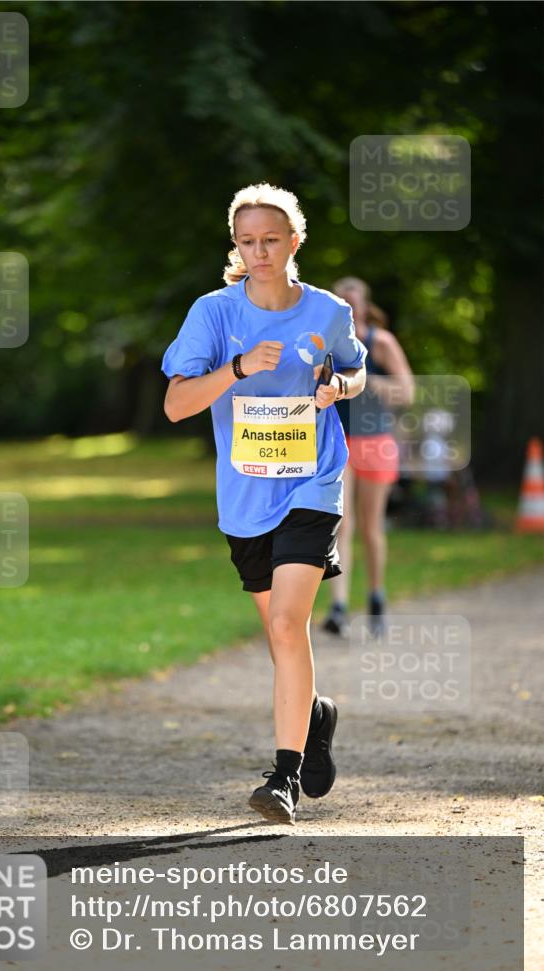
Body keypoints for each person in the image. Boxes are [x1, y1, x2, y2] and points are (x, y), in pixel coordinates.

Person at [161, 183, 367, 825]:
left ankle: (283, 777)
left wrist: (337, 383)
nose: (259, 252)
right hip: (246, 493)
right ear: (236, 246)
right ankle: (316, 717)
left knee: (287, 624)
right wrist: (239, 368)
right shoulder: (214, 314)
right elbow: (176, 404)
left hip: (312, 478)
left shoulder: (329, 311)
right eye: (248, 242)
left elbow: (356, 369)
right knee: (280, 637)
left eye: (271, 240)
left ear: (294, 241)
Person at [321, 277, 414, 638]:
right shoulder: (324, 342)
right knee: (341, 523)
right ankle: (339, 607)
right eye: (339, 299)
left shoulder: (380, 342)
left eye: (352, 298)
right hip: (338, 441)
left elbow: (407, 391)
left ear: (363, 304)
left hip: (376, 441)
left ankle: (376, 596)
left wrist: (364, 382)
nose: (346, 303)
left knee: (371, 528)